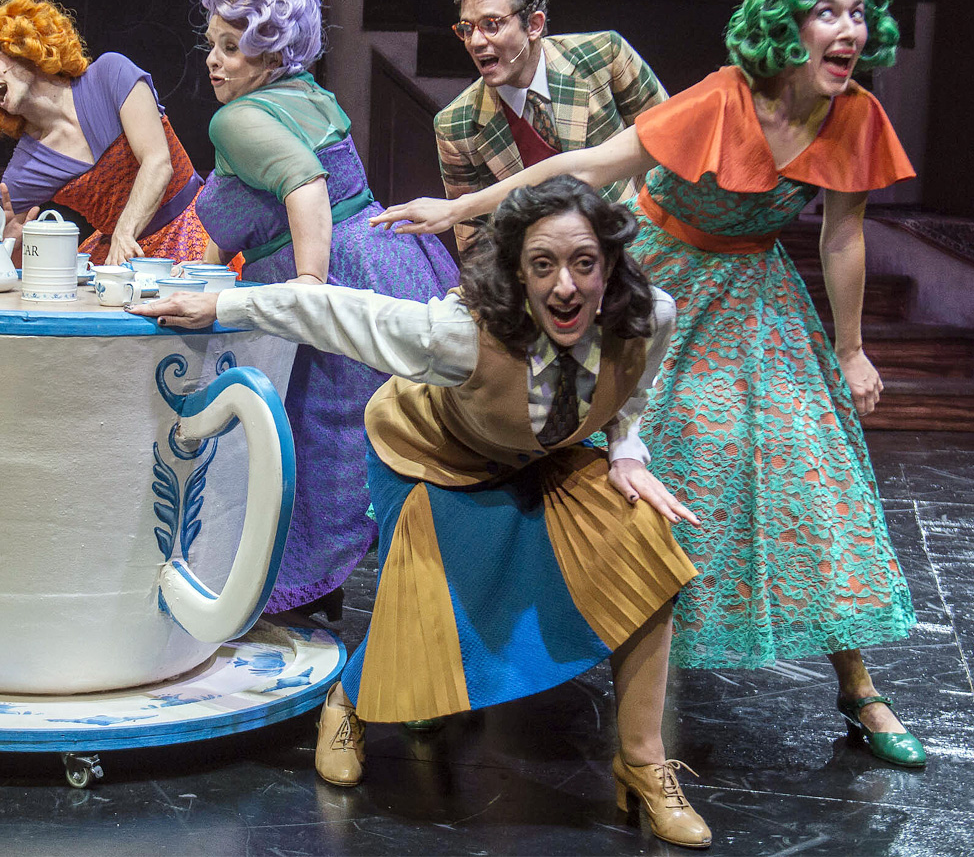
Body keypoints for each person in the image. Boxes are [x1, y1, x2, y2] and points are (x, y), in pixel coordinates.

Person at [374, 0, 927, 769]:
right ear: (786, 25)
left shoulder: (854, 116)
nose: (847, 29)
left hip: (755, 297)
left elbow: (843, 234)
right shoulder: (719, 101)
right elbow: (582, 168)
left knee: (808, 470)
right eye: (826, 12)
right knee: (563, 460)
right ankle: (463, 662)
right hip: (648, 278)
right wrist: (464, 213)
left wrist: (851, 349)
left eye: (856, 14)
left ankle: (858, 684)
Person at [133, 176, 712, 849]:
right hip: (429, 454)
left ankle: (642, 764)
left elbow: (630, 393)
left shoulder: (649, 315)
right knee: (426, 597)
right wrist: (223, 304)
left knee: (643, 536)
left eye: (584, 263)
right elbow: (338, 312)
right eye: (543, 265)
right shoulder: (458, 333)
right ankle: (349, 702)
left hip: (536, 457)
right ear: (517, 271)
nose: (565, 287)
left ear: (609, 264)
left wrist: (627, 453)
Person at [191, 0, 460, 616]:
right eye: (213, 44)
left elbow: (305, 185)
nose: (214, 61)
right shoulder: (306, 95)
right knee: (371, 436)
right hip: (392, 262)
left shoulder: (236, 118)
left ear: (270, 52)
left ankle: (315, 593)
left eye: (232, 47)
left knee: (326, 441)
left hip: (339, 276)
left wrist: (308, 289)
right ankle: (357, 593)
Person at [0, 0, 212, 266]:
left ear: (16, 44)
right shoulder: (25, 169)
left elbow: (158, 162)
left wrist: (124, 233)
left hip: (191, 232)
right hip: (121, 261)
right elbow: (0, 265)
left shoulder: (110, 75)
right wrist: (11, 244)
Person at [434, 0, 666, 250]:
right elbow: (475, 244)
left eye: (491, 25)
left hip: (637, 249)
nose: (476, 42)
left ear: (533, 25)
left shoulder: (604, 57)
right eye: (467, 29)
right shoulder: (456, 125)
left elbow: (671, 146)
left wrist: (660, 252)